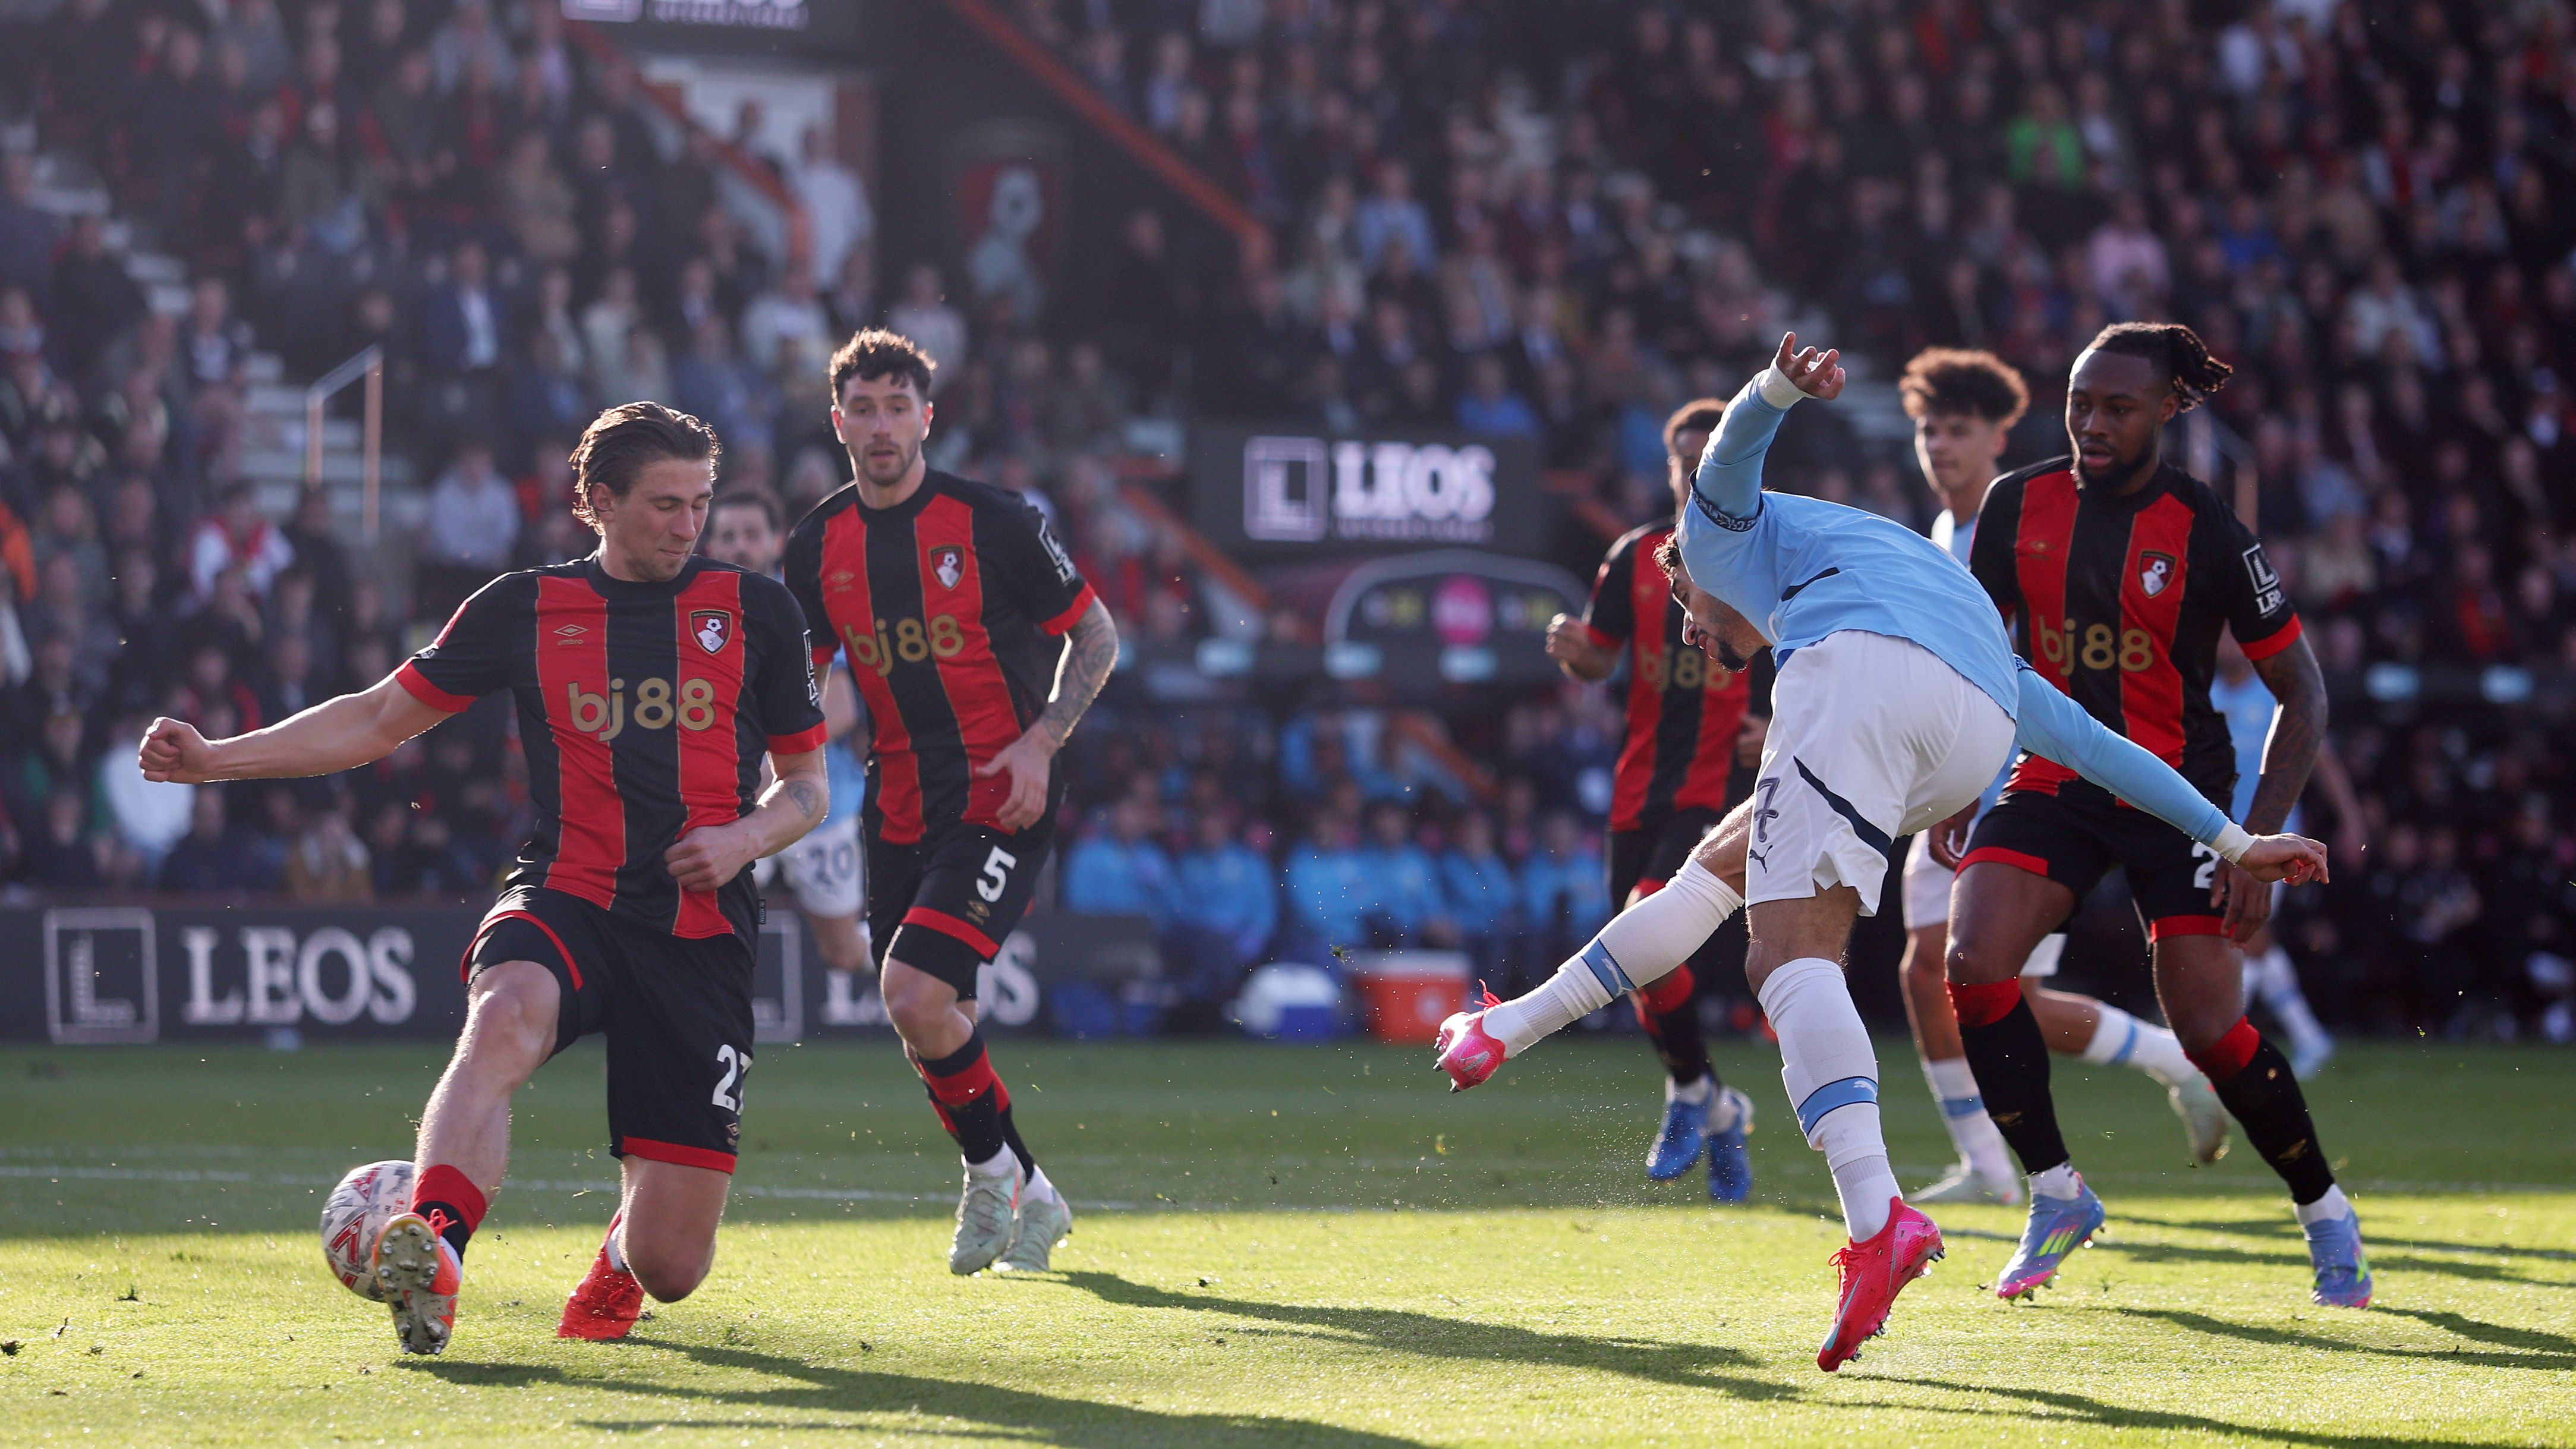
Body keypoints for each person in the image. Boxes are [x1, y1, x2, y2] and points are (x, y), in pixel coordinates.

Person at [1432, 333, 2331, 1372]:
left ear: (1692, 573)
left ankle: (1877, 1220)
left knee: (1784, 959)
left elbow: (1725, 459)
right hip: (1972, 727)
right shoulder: (1901, 567)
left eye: (1685, 614)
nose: (1694, 638)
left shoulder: (1719, 541)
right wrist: (2230, 834)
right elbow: (2094, 745)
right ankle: (1506, 1025)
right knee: (1717, 871)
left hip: (1864, 678)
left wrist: (1774, 389)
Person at [137, 402, 832, 1356]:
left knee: (675, 1264)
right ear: (599, 502)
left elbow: (807, 789)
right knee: (502, 1016)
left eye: (699, 503)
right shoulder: (522, 606)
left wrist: (746, 840)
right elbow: (379, 716)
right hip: (567, 892)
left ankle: (619, 1265)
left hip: (698, 926)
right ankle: (439, 1250)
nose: (688, 525)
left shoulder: (759, 611)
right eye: (665, 504)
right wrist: (215, 758)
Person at [1951, 323, 2366, 1311]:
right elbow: (1963, 660)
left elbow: (2302, 697)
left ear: (2169, 409)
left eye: (2116, 407)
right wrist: (1955, 784)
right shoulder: (2014, 506)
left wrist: (2251, 839)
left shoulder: (2211, 532)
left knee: (2210, 1028)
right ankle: (2054, 1191)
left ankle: (2323, 1209)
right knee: (1968, 962)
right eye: (2078, 403)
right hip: (2053, 778)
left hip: (2174, 792)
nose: (2091, 423)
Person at [782, 329, 1119, 1275]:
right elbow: (804, 688)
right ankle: (1035, 1193)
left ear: (927, 417)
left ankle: (985, 1174)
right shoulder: (816, 545)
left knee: (911, 992)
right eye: (864, 406)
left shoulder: (995, 521)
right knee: (934, 1023)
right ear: (837, 419)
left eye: (899, 406)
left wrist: (1041, 741)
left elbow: (1095, 636)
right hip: (894, 807)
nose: (881, 424)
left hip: (1000, 795)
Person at [1888, 348, 2227, 1208]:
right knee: (1925, 976)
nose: (1940, 446)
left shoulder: (2024, 519)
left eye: (1957, 430)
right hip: (1950, 777)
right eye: (1928, 429)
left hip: (2019, 785)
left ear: (1998, 435)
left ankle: (2167, 1063)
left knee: (1989, 984)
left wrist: (1973, 784)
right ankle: (1987, 1167)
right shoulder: (1937, 534)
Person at [1542, 396, 1763, 1200]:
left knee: (1648, 926)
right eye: (1683, 458)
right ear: (1670, 468)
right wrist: (1574, 653)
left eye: (1710, 456)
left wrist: (1774, 721)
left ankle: (1691, 1099)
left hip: (1721, 793)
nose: (1694, 470)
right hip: (1636, 791)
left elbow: (1811, 654)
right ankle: (1712, 1104)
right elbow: (1599, 658)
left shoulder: (1768, 550)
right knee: (1639, 961)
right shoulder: (1635, 556)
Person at [700, 487, 874, 982]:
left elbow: (840, 708)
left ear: (776, 541)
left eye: (751, 534)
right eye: (727, 536)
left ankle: (919, 977)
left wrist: (764, 768)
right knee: (709, 935)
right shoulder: (694, 612)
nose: (739, 547)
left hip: (818, 803)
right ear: (710, 546)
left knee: (842, 951)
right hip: (727, 806)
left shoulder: (797, 608)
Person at [2210, 631, 2356, 1079]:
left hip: (2277, 837)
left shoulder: (2277, 693)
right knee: (2252, 938)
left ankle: (2220, 1038)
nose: (2227, 645)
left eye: (2235, 636)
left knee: (2241, 932)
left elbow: (2321, 760)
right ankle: (2307, 1037)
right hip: (2219, 837)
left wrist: (2352, 819)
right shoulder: (2205, 693)